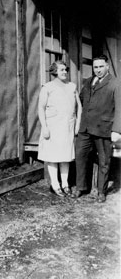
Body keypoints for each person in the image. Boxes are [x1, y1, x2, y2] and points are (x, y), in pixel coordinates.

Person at [73, 54, 121, 203]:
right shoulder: (88, 82)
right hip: (85, 128)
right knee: (80, 156)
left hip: (103, 129)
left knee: (104, 161)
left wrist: (116, 130)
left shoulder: (115, 83)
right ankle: (81, 187)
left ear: (107, 66)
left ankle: (101, 191)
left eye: (101, 66)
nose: (98, 70)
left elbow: (120, 108)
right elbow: (80, 101)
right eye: (95, 67)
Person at [38, 60, 82, 196]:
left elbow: (79, 107)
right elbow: (41, 108)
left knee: (65, 156)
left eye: (65, 70)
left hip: (67, 126)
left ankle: (65, 183)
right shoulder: (47, 87)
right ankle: (55, 184)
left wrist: (77, 125)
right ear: (55, 71)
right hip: (52, 126)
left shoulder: (72, 86)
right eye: (61, 70)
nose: (65, 72)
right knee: (52, 156)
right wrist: (44, 127)